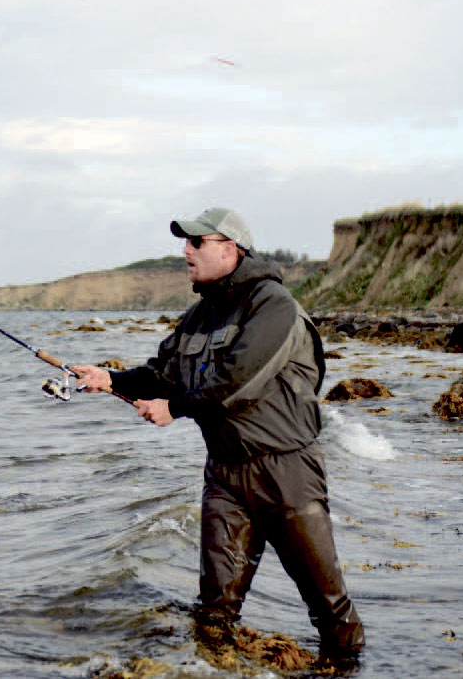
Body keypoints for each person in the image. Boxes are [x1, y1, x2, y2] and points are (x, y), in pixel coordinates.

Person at [71, 207, 365, 659]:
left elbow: (238, 380)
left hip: (286, 474)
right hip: (225, 476)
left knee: (329, 608)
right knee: (213, 613)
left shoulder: (274, 305)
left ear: (230, 249)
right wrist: (111, 379)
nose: (185, 251)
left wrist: (175, 409)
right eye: (185, 243)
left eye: (196, 242)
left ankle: (345, 667)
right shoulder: (198, 315)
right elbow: (165, 373)